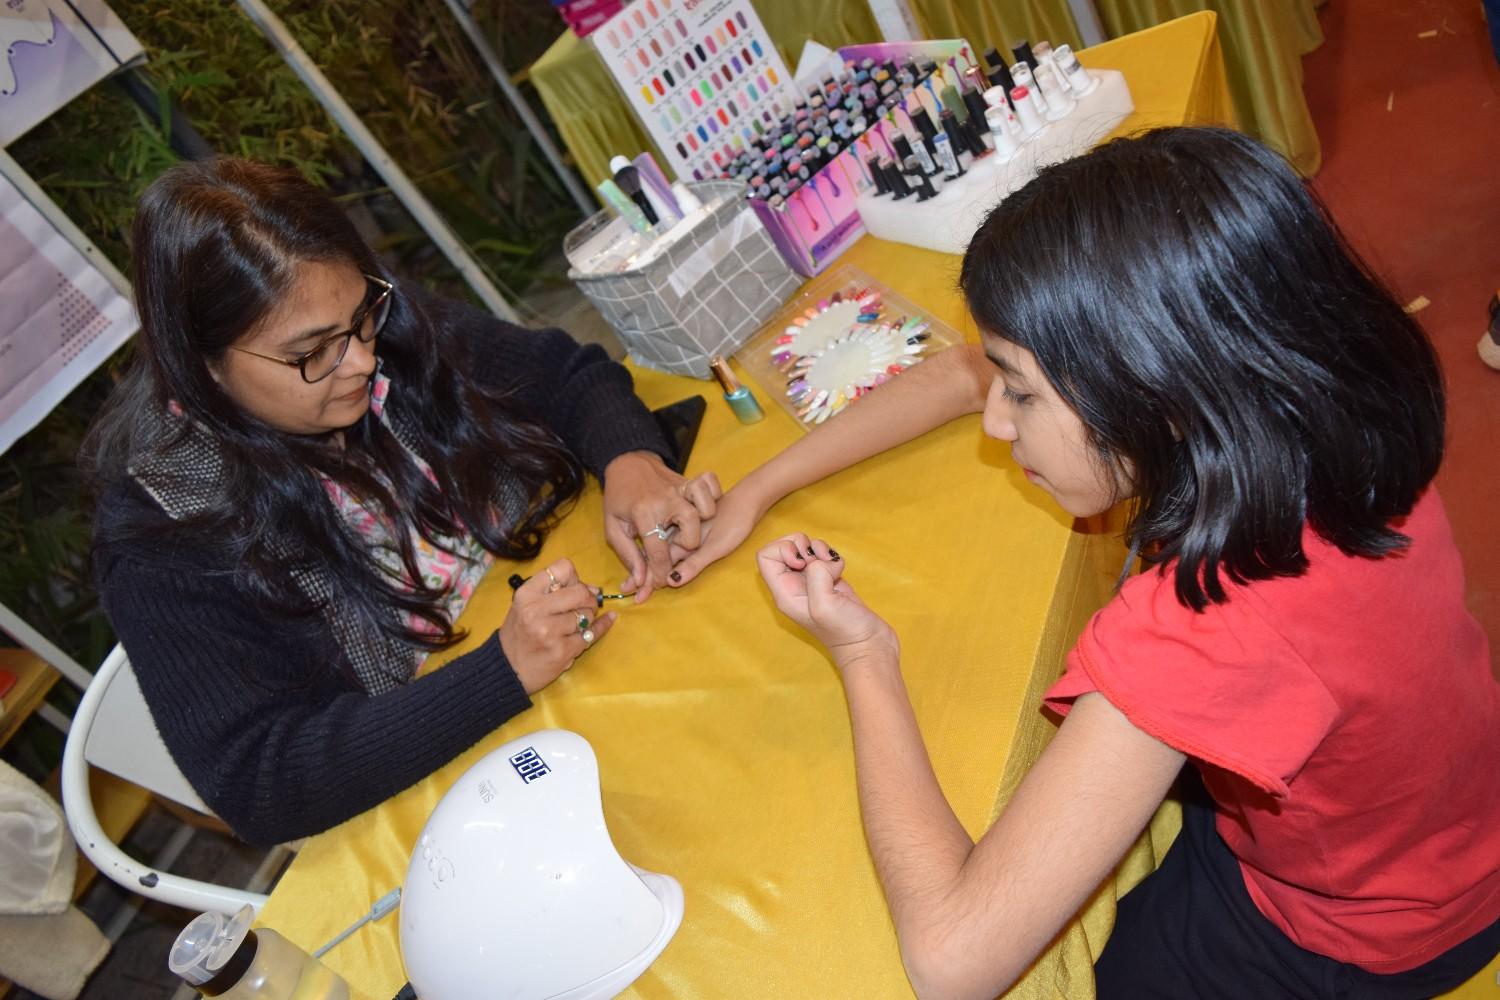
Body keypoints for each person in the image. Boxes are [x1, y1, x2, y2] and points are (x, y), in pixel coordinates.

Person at [675, 128, 1500, 996]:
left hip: (1362, 929)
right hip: (1450, 822)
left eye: (1021, 394)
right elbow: (960, 374)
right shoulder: (1313, 401)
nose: (996, 420)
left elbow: (953, 960)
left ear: (1158, 392)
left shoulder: (1208, 622)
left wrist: (862, 655)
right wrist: (759, 488)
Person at [84, 158, 723, 845]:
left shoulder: (374, 325)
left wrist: (631, 460)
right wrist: (502, 670)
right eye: (313, 353)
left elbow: (564, 374)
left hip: (582, 672)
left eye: (362, 315)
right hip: (462, 791)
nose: (361, 359)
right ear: (204, 365)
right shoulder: (162, 535)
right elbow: (263, 780)